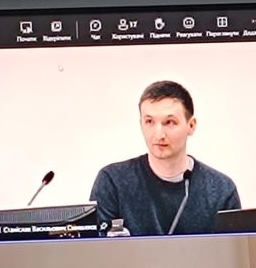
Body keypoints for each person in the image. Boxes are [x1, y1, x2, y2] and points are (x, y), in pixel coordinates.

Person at [90, 81, 240, 236]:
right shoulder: (113, 182)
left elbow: (233, 250)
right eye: (149, 121)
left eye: (169, 122)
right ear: (141, 124)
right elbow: (94, 248)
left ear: (191, 125)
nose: (159, 134)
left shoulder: (221, 190)